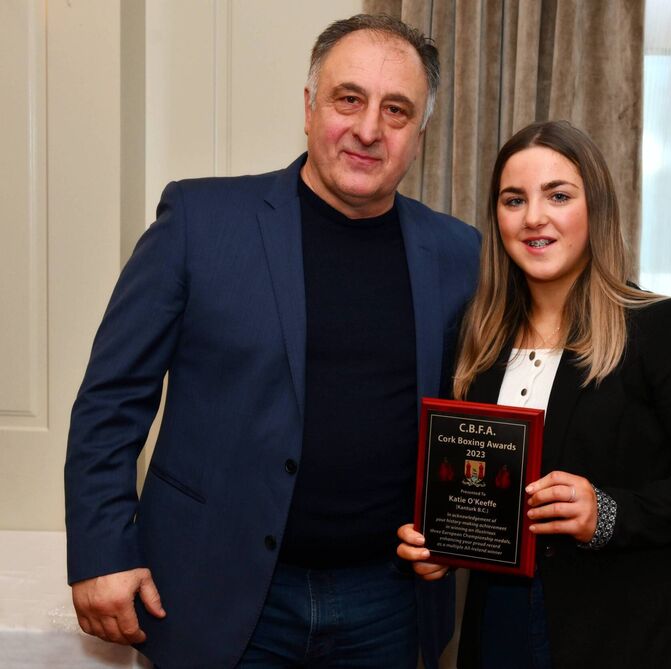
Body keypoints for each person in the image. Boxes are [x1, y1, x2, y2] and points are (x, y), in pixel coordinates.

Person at [64, 14, 480, 669]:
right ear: (309, 108)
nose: (370, 128)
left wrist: (667, 331)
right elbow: (110, 399)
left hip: (387, 601)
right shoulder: (199, 224)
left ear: (420, 136)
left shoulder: (460, 254)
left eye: (396, 110)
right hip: (216, 591)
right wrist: (102, 550)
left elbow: (545, 329)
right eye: (350, 99)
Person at [397, 120, 671, 669]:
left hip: (622, 634)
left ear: (596, 209)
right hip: (497, 625)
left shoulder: (658, 327)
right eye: (513, 200)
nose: (534, 217)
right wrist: (434, 544)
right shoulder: (475, 338)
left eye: (558, 196)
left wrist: (608, 513)